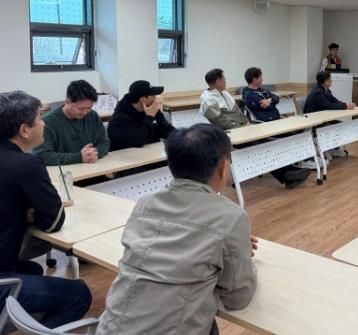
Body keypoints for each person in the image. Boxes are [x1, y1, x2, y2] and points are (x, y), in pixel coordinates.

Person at [97, 124, 257, 335]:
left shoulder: (145, 203)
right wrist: (239, 254)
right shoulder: (230, 216)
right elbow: (237, 298)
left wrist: (226, 248)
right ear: (223, 166)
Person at [0, 91, 92, 328]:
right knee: (79, 295)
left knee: (32, 269)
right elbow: (54, 222)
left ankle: (25, 321)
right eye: (40, 118)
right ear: (24, 130)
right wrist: (29, 212)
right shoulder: (26, 165)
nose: (44, 123)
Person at [35, 80, 109, 165]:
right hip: (63, 171)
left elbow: (104, 142)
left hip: (92, 168)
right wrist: (79, 157)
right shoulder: (47, 122)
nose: (85, 112)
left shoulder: (93, 116)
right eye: (81, 108)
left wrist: (94, 153)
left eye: (89, 108)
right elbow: (42, 155)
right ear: (67, 101)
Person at [108, 80, 175, 151]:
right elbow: (138, 140)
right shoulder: (119, 120)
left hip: (151, 153)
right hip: (129, 156)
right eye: (153, 95)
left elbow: (168, 130)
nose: (155, 98)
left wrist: (179, 138)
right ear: (143, 100)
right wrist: (149, 118)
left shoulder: (151, 109)